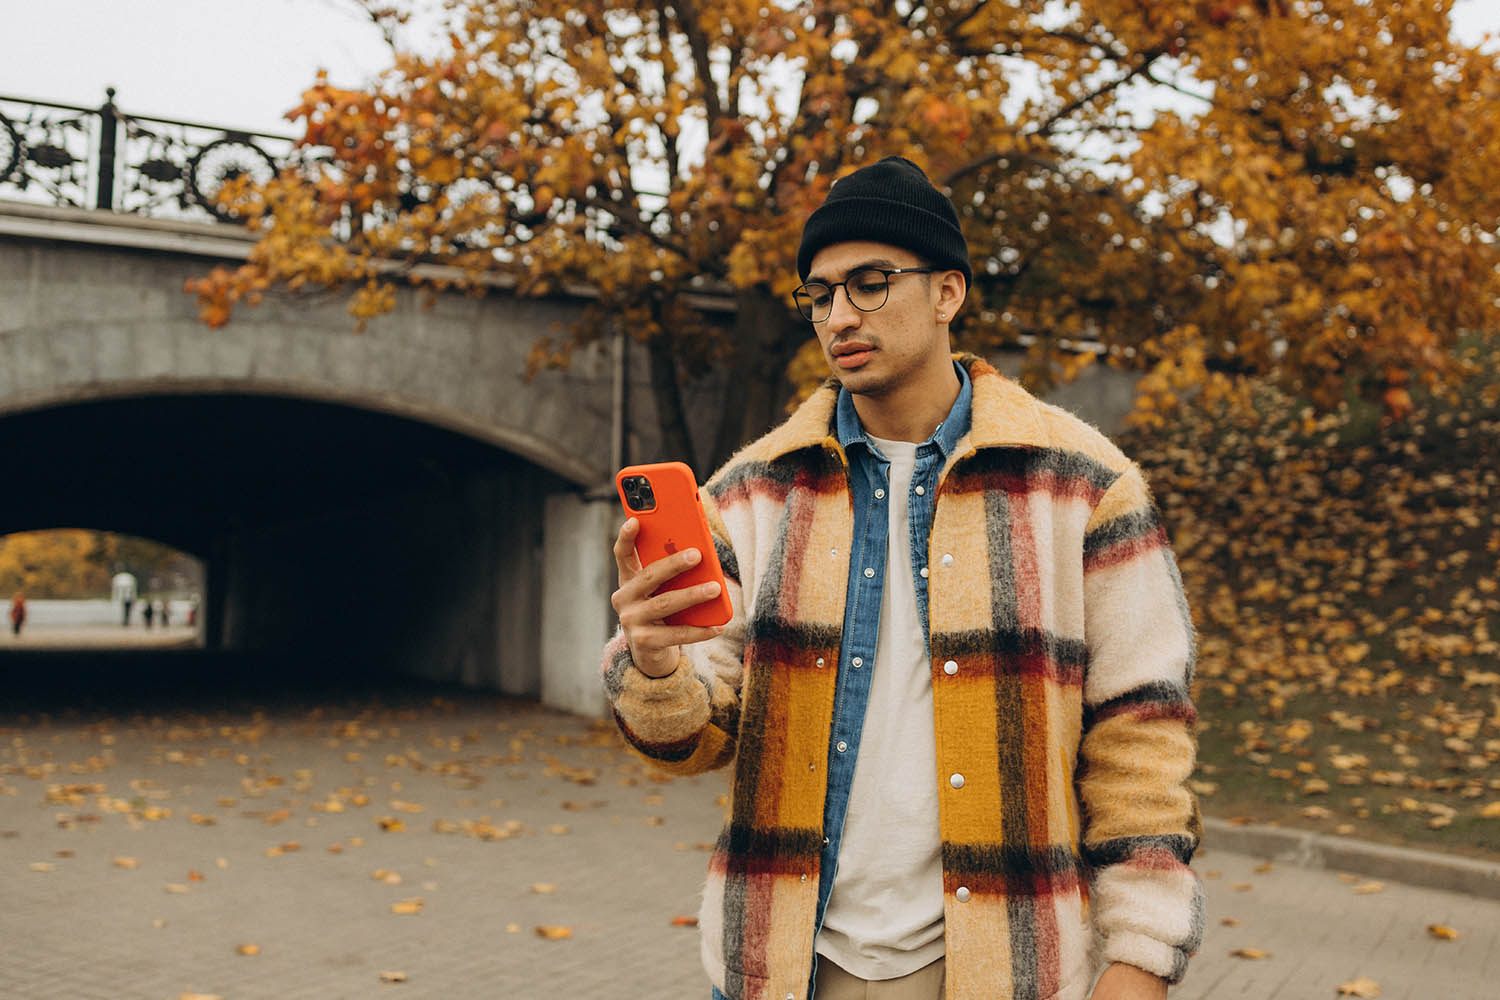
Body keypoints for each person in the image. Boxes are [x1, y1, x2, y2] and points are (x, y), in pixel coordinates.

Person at [602, 157, 1202, 1000]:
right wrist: (656, 663)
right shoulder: (754, 491)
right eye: (820, 294)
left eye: (871, 283)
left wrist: (1139, 963)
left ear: (948, 293)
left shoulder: (1085, 487)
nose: (839, 314)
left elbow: (1140, 738)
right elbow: (694, 740)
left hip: (999, 966)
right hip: (785, 965)